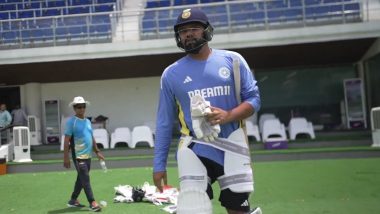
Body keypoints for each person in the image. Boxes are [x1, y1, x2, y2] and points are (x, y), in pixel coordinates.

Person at [153, 8, 262, 214]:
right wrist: (159, 164)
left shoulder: (233, 61)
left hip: (233, 147)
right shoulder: (170, 74)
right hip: (194, 149)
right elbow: (164, 122)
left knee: (237, 209)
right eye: (183, 31)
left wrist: (228, 115)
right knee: (193, 209)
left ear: (207, 31)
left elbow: (254, 100)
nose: (188, 34)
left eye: (194, 28)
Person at [63, 96, 104, 212]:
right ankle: (92, 202)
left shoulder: (87, 121)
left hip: (88, 155)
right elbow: (66, 140)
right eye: (78, 107)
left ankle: (73, 200)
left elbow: (91, 137)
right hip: (78, 155)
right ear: (74, 108)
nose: (81, 109)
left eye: (83, 107)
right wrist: (66, 158)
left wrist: (97, 151)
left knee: (81, 179)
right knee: (85, 178)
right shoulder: (72, 122)